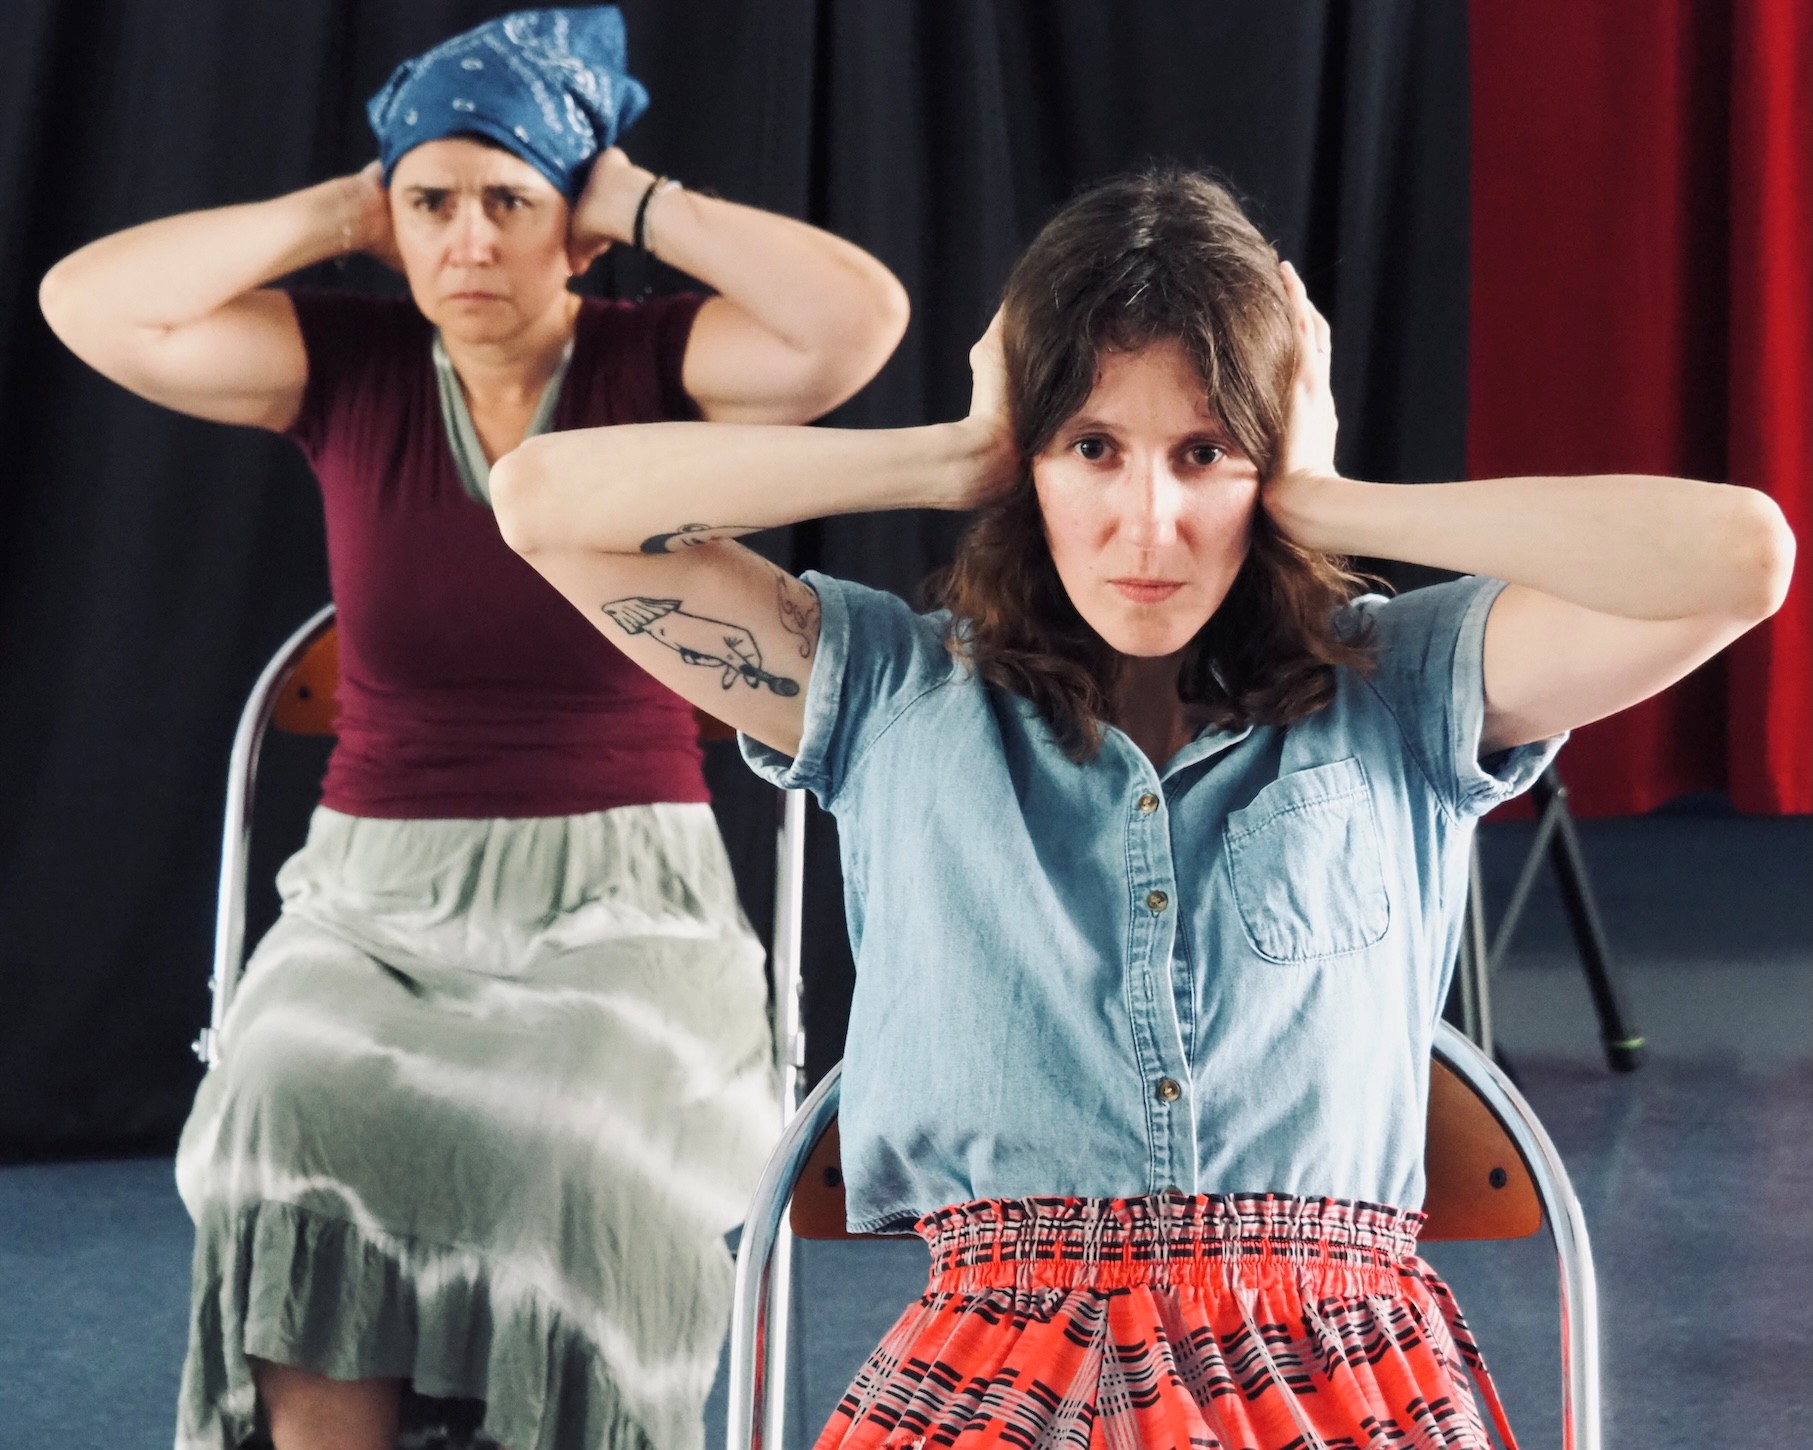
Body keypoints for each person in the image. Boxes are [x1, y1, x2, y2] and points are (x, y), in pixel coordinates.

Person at [489, 164, 1795, 1449]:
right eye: (1091, 448)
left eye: (1205, 453)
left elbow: (1743, 558)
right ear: (1029, 458)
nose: (1149, 524)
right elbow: (539, 503)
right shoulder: (892, 693)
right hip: (997, 1383)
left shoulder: (1396, 689)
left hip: (1336, 1386)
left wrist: (1330, 497)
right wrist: (950, 454)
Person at [39, 9, 908, 1450]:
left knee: (587, 1138)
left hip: (629, 898)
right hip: (372, 899)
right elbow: (89, 302)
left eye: (508, 201)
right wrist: (348, 206)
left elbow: (857, 323)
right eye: (432, 205)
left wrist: (633, 195)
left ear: (574, 232)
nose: (466, 240)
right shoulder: (351, 367)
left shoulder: (655, 362)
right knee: (282, 1104)